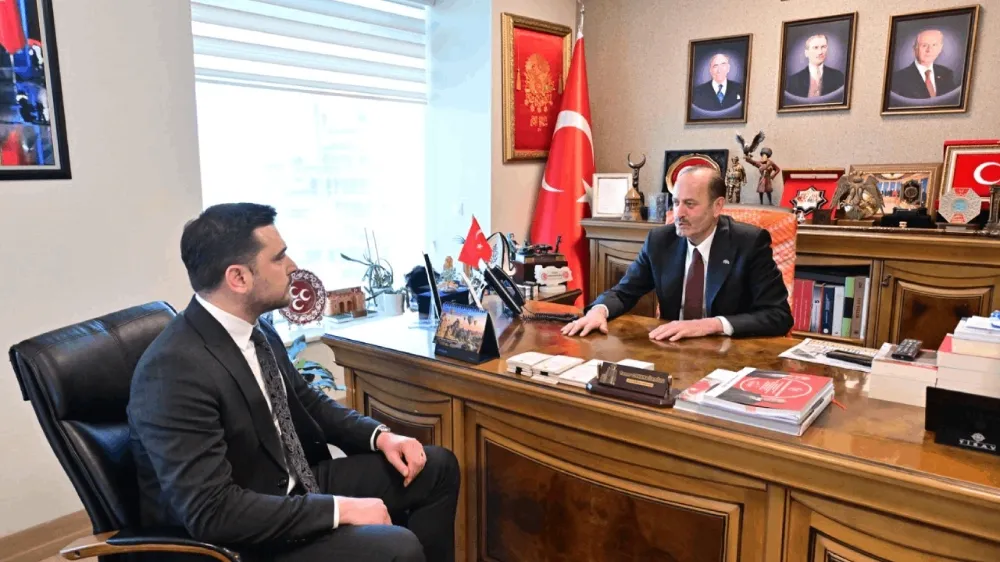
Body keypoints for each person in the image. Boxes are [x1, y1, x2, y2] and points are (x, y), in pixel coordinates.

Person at [128, 203, 460, 562]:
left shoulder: (257, 330)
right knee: (398, 547)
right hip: (246, 532)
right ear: (238, 278)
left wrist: (380, 436)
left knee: (436, 468)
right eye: (279, 257)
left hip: (296, 484)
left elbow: (308, 402)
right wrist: (341, 510)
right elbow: (213, 511)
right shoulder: (172, 370)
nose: (294, 266)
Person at [562, 167, 793, 341]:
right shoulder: (660, 241)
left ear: (717, 206)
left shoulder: (749, 243)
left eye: (690, 204)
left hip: (729, 354)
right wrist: (598, 311)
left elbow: (779, 316)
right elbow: (623, 293)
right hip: (672, 348)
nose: (678, 213)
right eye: (675, 202)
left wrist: (711, 325)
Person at [890, 29, 957, 99]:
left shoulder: (946, 74)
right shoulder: (899, 78)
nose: (929, 50)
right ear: (915, 49)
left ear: (940, 48)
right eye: (924, 45)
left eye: (934, 45)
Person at [785, 34, 846, 99]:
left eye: (823, 47)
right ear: (806, 53)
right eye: (815, 48)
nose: (820, 52)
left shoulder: (838, 77)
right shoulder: (793, 81)